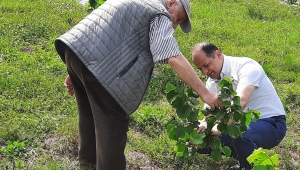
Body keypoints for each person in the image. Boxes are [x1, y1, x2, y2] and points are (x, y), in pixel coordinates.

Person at [54, 0, 222, 169]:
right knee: (113, 126)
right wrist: (205, 93)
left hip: (76, 51)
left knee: (88, 115)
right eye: (177, 18)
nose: (174, 26)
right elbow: (172, 55)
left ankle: (88, 164)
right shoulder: (159, 12)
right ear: (171, 2)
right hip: (98, 69)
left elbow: (103, 31)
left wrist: (77, 68)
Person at [191, 42, 287, 170]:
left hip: (271, 123)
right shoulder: (212, 82)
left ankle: (254, 166)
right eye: (200, 69)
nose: (205, 72)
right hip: (240, 125)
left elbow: (241, 101)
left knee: (240, 135)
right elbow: (210, 113)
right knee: (201, 141)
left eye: (206, 65)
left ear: (218, 54)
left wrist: (219, 129)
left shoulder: (246, 67)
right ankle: (245, 163)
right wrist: (203, 125)